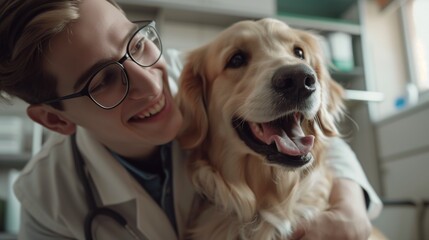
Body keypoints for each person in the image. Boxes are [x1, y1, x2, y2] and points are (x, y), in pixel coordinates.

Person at [0, 0, 382, 239]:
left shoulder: (189, 74)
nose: (152, 81)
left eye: (136, 42)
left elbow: (312, 135)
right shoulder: (45, 202)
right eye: (104, 80)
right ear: (54, 120)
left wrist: (349, 207)